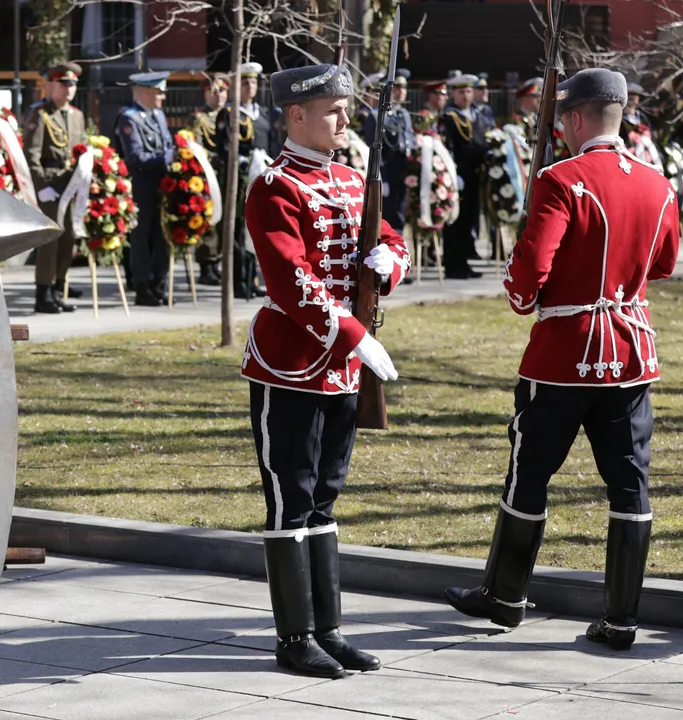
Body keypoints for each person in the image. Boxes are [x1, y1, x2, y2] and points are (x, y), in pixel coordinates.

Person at [445, 68, 680, 650]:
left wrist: (524, 293)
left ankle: (504, 596)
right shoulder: (658, 183)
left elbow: (528, 278)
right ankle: (622, 619)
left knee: (530, 472)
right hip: (629, 351)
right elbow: (666, 262)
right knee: (630, 484)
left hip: (563, 354)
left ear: (574, 118)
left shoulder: (561, 179)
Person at [243, 61, 411, 679]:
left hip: (341, 371)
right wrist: (355, 336)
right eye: (333, 110)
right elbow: (291, 282)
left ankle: (328, 629)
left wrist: (388, 263)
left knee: (326, 498)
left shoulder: (348, 178)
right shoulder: (274, 186)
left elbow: (393, 238)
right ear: (295, 115)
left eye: (345, 108)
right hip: (290, 365)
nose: (345, 118)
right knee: (291, 497)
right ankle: (294, 638)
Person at [23, 62, 87, 314]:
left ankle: (59, 288)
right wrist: (40, 187)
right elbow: (31, 154)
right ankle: (43, 292)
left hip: (70, 185)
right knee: (50, 240)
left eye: (72, 85)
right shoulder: (40, 114)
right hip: (49, 184)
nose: (68, 89)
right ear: (50, 85)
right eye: (63, 84)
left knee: (68, 238)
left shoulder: (76, 115)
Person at [114, 71, 175, 306]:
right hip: (141, 185)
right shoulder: (129, 118)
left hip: (162, 184)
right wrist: (165, 158)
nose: (162, 97)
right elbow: (135, 157)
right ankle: (142, 285)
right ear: (145, 92)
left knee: (161, 235)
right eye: (159, 92)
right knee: (141, 236)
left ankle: (158, 282)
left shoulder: (157, 115)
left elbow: (166, 143)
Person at [216, 61, 273, 299]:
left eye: (253, 82)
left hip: (260, 179)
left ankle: (253, 278)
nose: (250, 86)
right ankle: (238, 282)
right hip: (238, 181)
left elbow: (272, 145)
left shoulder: (264, 114)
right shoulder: (229, 114)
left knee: (257, 229)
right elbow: (223, 148)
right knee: (238, 231)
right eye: (245, 82)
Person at [439, 73, 491, 279]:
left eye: (469, 91)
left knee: (469, 219)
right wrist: (452, 173)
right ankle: (453, 264)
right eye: (461, 91)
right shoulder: (449, 117)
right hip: (458, 176)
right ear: (453, 94)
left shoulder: (476, 114)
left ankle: (464, 262)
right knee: (455, 221)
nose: (466, 95)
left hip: (474, 175)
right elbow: (447, 146)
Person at [359, 69, 416, 237]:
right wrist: (381, 177)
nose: (401, 91)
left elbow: (409, 142)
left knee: (400, 216)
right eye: (397, 87)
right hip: (388, 173)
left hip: (403, 173)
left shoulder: (403, 114)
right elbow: (373, 149)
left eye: (404, 87)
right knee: (387, 219)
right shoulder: (376, 116)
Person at [193, 74, 230, 286]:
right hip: (209, 175)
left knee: (225, 219)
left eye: (222, 91)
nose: (219, 96)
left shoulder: (230, 115)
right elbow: (195, 146)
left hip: (227, 176)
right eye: (214, 91)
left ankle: (219, 261)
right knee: (209, 221)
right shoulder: (199, 118)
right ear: (206, 93)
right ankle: (207, 264)